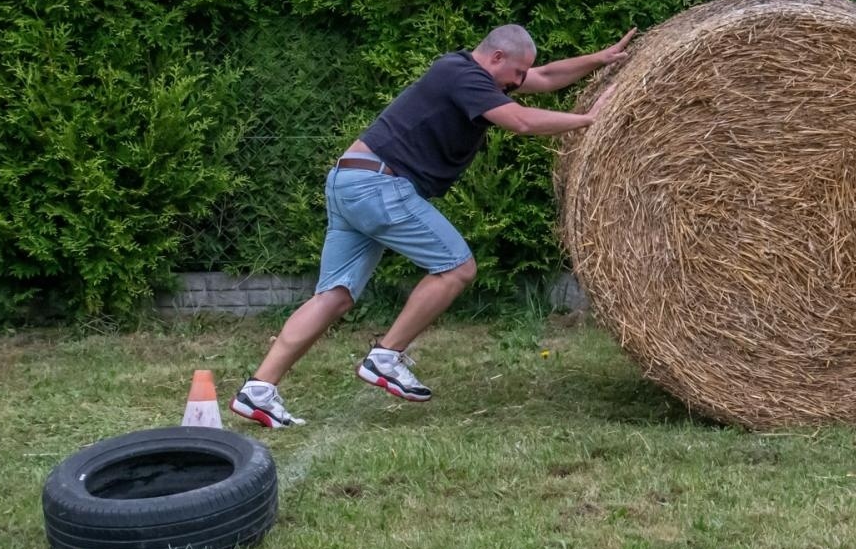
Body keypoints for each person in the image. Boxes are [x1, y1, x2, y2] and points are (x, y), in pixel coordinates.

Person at [231, 24, 633, 427]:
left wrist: (598, 59)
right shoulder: (463, 75)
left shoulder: (472, 75)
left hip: (350, 180)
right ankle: (386, 357)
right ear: (496, 57)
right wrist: (586, 120)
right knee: (457, 268)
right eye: (515, 73)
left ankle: (258, 390)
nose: (518, 82)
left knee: (333, 297)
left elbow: (544, 77)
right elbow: (521, 122)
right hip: (379, 184)